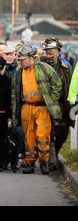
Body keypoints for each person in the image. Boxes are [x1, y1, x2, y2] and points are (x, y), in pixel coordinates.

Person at [11, 44, 62, 175]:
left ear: (31, 57)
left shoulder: (45, 68)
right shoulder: (19, 71)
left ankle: (44, 163)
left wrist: (53, 100)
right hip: (26, 108)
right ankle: (29, 164)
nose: (20, 61)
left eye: (22, 59)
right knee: (29, 137)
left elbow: (57, 83)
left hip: (42, 108)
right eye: (19, 59)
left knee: (43, 136)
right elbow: (14, 92)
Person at [42, 37, 73, 171]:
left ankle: (55, 152)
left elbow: (71, 85)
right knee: (47, 131)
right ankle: (51, 158)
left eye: (50, 53)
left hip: (61, 103)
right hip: (44, 103)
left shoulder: (65, 68)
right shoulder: (41, 66)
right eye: (46, 53)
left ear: (58, 53)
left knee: (62, 131)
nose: (48, 56)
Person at [1, 45, 24, 169]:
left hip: (16, 106)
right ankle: (4, 160)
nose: (9, 57)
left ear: (15, 55)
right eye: (6, 54)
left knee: (16, 135)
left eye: (11, 54)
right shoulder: (0, 68)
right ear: (3, 55)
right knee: (3, 134)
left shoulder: (20, 69)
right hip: (3, 106)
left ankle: (15, 160)